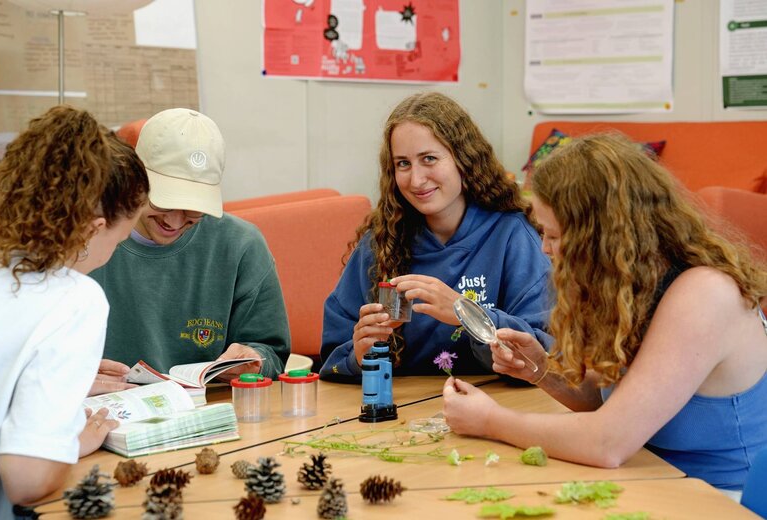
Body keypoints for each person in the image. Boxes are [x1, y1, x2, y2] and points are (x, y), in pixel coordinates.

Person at [442, 133, 767, 493]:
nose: (545, 249)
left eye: (554, 236)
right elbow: (609, 401)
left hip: (722, 498)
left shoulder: (705, 295)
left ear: (598, 237)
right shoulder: (635, 286)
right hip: (651, 478)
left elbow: (607, 441)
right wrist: (541, 370)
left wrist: (490, 421)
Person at [0, 106, 150, 517]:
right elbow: (26, 479)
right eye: (118, 240)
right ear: (94, 230)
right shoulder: (74, 299)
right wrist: (66, 443)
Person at [320, 92, 552, 379]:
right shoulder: (381, 240)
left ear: (464, 160)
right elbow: (331, 359)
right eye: (403, 164)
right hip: (403, 415)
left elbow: (545, 356)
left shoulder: (511, 235)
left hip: (491, 409)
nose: (416, 180)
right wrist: (359, 355)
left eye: (429, 159)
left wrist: (465, 314)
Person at [89, 108, 290, 394]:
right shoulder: (90, 240)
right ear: (135, 178)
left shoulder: (241, 244)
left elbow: (271, 353)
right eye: (164, 202)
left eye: (194, 210)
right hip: (105, 414)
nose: (174, 221)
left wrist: (253, 361)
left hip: (208, 412)